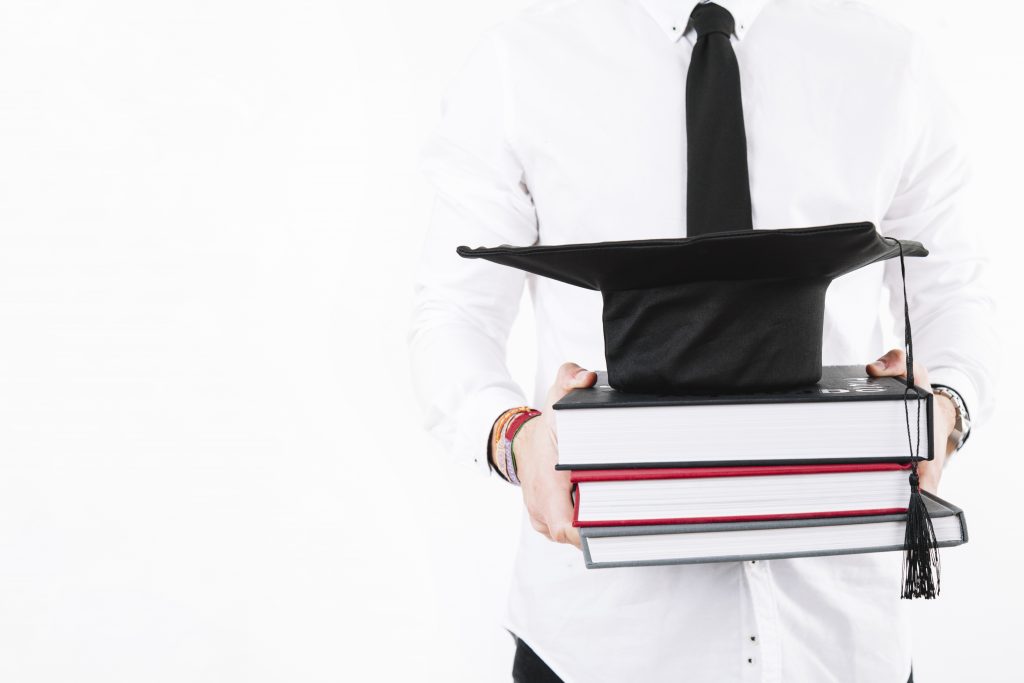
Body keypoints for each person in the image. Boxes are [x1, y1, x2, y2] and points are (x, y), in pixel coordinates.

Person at [408, 0, 997, 680]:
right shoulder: (522, 64)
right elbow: (452, 313)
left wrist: (948, 405)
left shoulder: (887, 62)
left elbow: (952, 290)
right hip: (603, 639)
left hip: (839, 635)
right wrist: (512, 433)